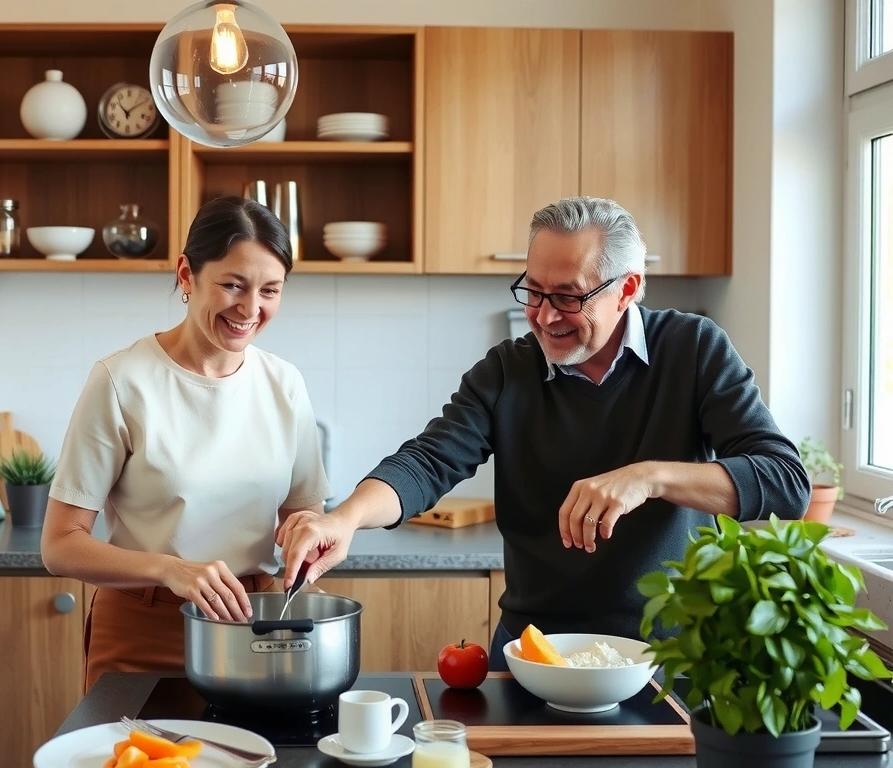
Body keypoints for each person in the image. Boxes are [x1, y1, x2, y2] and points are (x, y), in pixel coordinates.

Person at [276, 196, 811, 672]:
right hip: (535, 653)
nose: (544, 316)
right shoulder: (509, 370)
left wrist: (649, 478)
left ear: (627, 288)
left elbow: (786, 483)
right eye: (532, 291)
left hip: (671, 658)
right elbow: (427, 461)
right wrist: (344, 519)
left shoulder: (693, 349)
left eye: (568, 297)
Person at [41, 196, 330, 691]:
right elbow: (60, 545)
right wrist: (169, 570)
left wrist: (308, 534)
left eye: (270, 291)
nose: (250, 309)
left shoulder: (285, 384)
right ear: (186, 275)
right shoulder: (121, 380)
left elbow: (304, 512)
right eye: (232, 285)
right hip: (143, 630)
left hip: (255, 627)